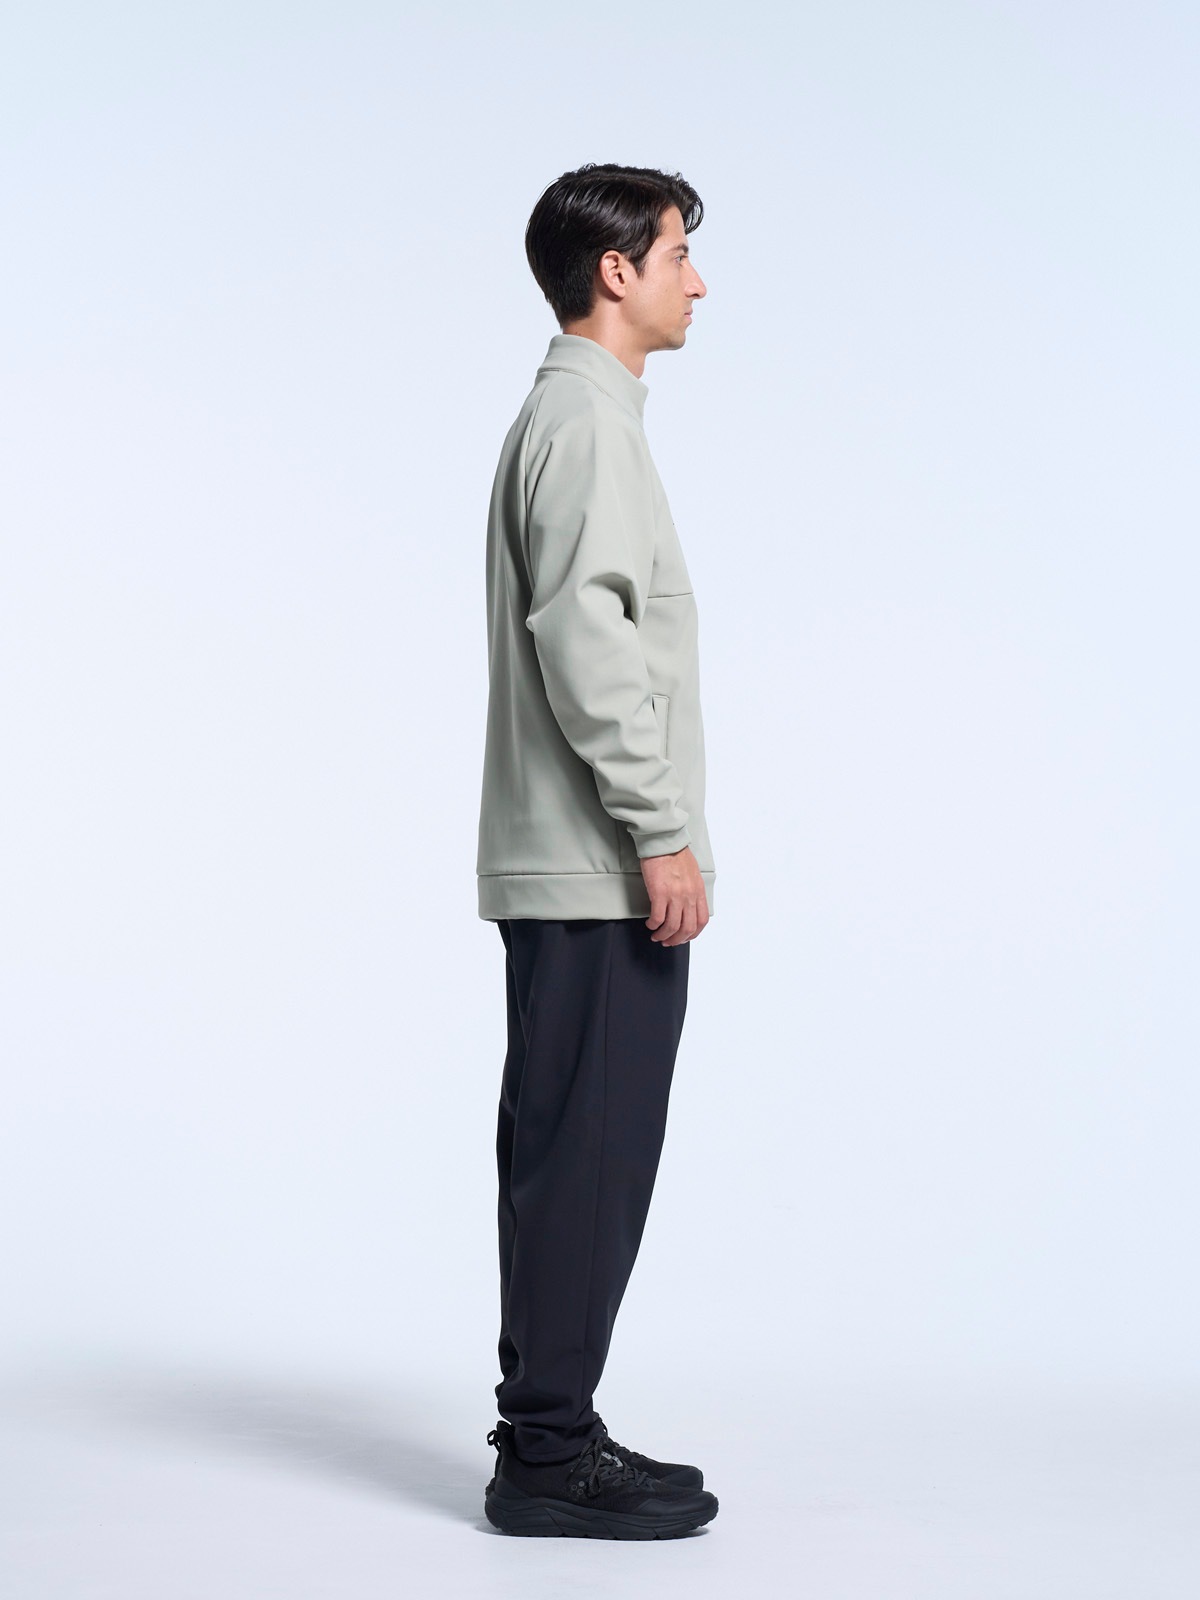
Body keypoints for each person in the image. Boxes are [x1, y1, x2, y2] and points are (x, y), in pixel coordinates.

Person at [475, 162, 720, 1540]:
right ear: (615, 272)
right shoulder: (584, 425)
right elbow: (587, 642)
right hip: (600, 864)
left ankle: (549, 1430)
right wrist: (661, 831)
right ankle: (549, 1455)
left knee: (570, 1151)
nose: (697, 281)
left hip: (577, 861)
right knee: (589, 1158)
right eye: (678, 254)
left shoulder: (581, 418)